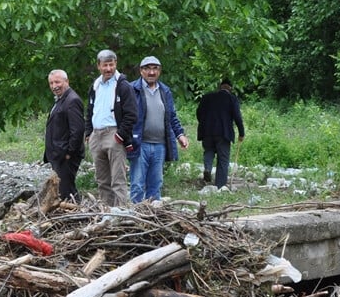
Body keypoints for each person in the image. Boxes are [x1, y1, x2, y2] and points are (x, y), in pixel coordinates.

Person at [127, 56, 189, 203]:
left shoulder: (165, 91)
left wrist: (180, 135)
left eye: (155, 68)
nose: (151, 72)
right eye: (147, 68)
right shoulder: (132, 89)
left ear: (159, 71)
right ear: (141, 71)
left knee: (156, 184)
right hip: (139, 143)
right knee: (137, 183)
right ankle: (135, 217)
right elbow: (123, 115)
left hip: (160, 145)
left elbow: (171, 116)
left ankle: (154, 217)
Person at [83, 49, 136, 207]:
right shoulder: (95, 85)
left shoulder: (123, 86)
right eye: (105, 65)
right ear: (98, 66)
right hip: (96, 135)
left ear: (115, 64)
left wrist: (120, 135)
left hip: (114, 133)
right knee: (102, 178)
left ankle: (120, 213)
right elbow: (90, 111)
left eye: (111, 65)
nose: (108, 69)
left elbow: (132, 114)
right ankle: (106, 211)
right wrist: (88, 132)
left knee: (118, 179)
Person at [43, 70, 85, 203]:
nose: (54, 86)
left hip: (66, 156)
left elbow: (77, 130)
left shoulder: (72, 100)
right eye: (51, 83)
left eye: (57, 82)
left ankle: (78, 216)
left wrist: (69, 153)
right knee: (63, 190)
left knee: (67, 191)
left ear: (66, 82)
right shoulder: (60, 100)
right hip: (58, 155)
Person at [195, 79, 245, 188]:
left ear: (220, 86)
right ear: (230, 88)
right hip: (223, 132)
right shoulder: (232, 99)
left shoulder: (207, 97)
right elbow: (237, 117)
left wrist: (205, 124)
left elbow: (198, 113)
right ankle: (220, 186)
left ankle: (207, 168)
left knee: (209, 151)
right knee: (223, 159)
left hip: (207, 131)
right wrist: (241, 133)